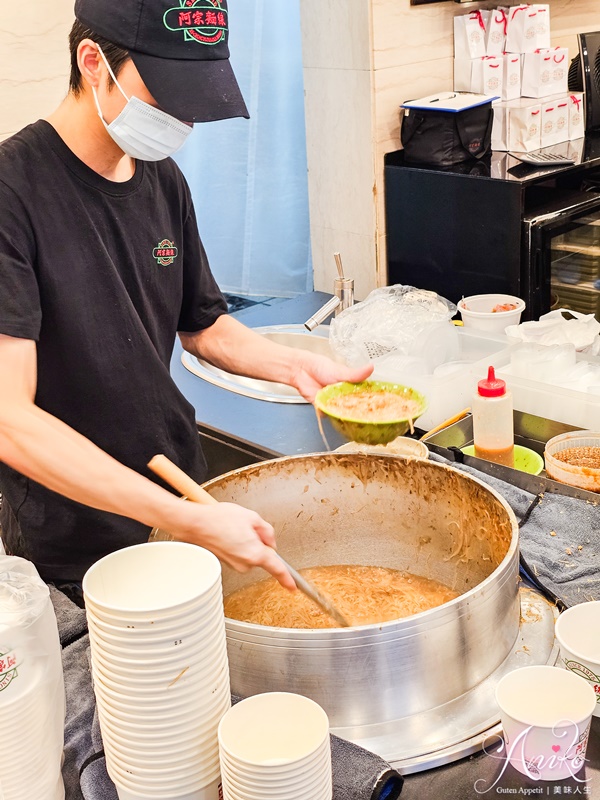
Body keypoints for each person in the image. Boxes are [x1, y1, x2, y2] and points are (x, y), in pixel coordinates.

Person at [0, 0, 372, 597]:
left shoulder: (162, 178)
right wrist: (187, 517)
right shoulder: (12, 193)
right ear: (93, 62)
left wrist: (293, 364)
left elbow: (201, 325)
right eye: (166, 94)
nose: (182, 121)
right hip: (76, 544)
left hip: (184, 492)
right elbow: (10, 420)